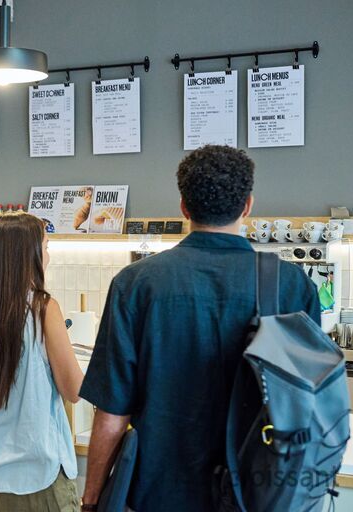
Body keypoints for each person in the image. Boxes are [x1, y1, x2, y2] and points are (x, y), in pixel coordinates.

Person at [80, 145, 321, 512]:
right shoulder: (291, 285)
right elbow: (309, 408)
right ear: (247, 206)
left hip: (158, 493)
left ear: (183, 207)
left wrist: (91, 499)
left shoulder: (136, 284)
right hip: (255, 493)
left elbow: (112, 415)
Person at [0, 213, 84, 512]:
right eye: (46, 247)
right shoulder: (42, 308)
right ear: (29, 256)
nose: (48, 256)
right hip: (35, 478)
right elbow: (74, 390)